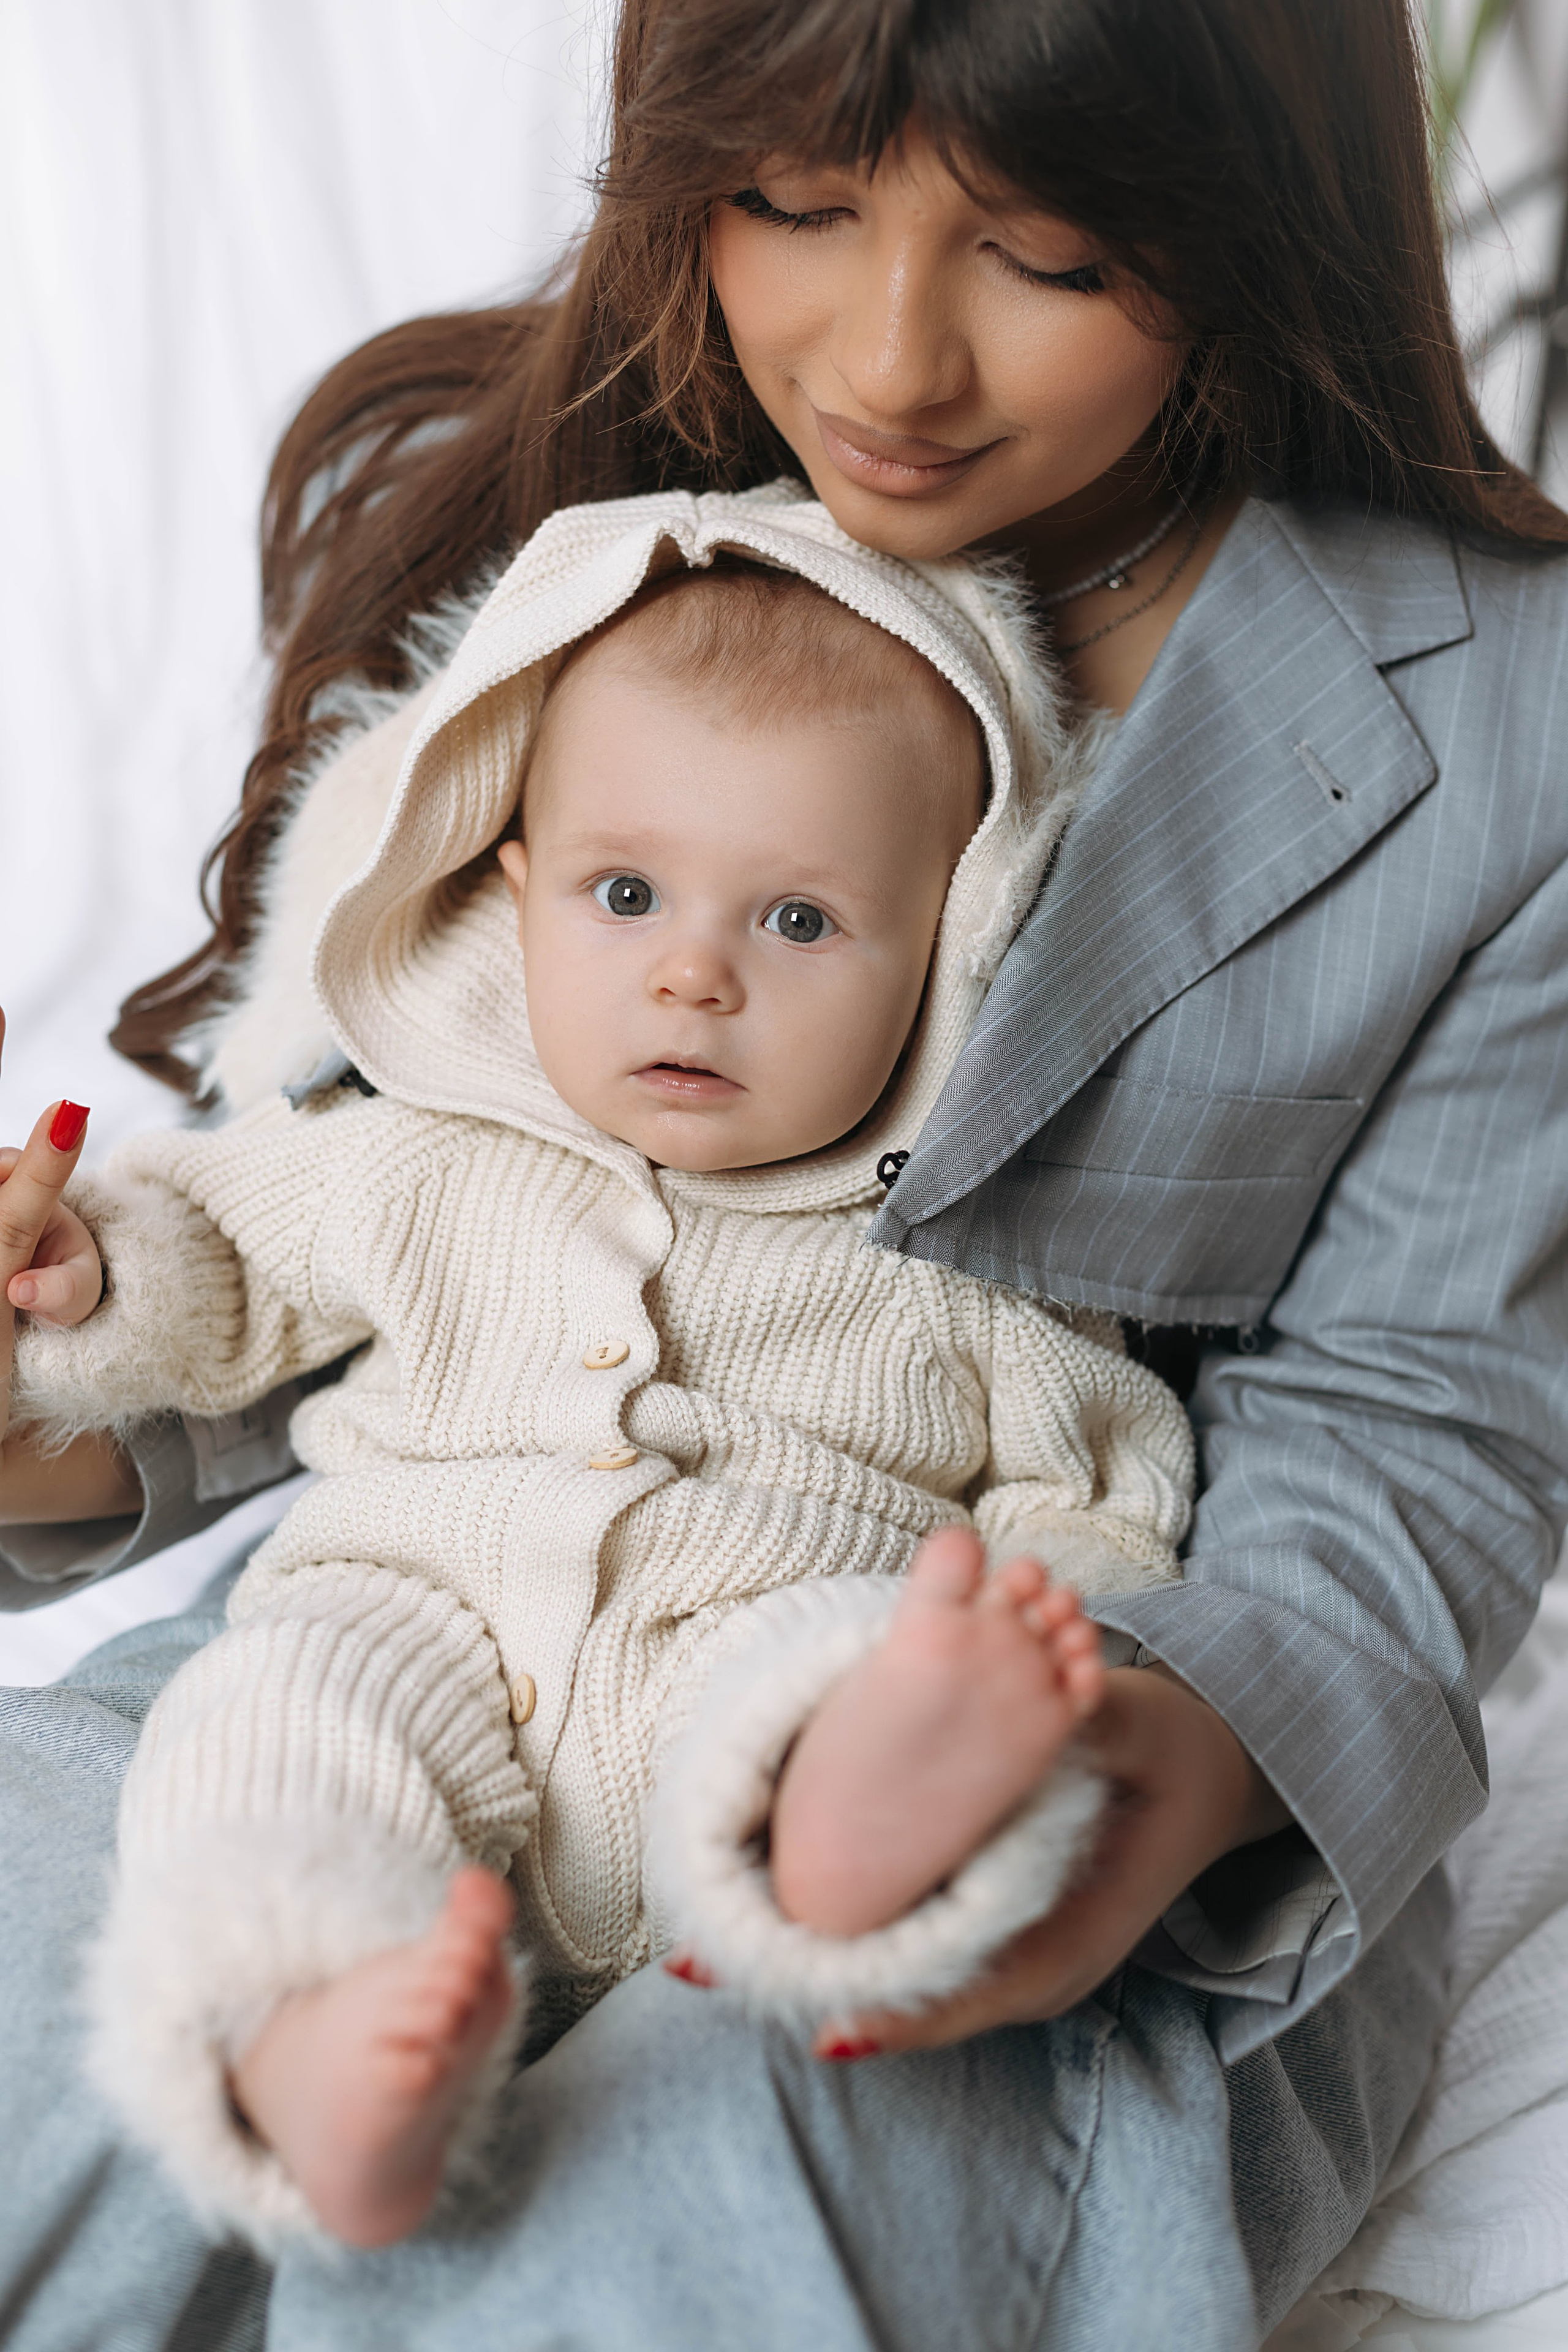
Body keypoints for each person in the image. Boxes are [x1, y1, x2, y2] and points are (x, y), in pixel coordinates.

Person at [1, 1, 1564, 2345]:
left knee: (673, 2215)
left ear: (1247, 204)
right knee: (67, 1969)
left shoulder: (1506, 721)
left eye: (1042, 250)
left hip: (1002, 1699)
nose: (894, 358)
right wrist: (47, 1377)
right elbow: (371, 1234)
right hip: (423, 1618)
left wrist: (1082, 1775)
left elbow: (1414, 1437)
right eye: (802, 208)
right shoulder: (553, 528)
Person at [11, 512, 1196, 2253]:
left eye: (799, 919)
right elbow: (225, 1255)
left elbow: (1090, 1485)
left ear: (949, 951)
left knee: (849, 1683)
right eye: (624, 894)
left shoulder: (962, 1255)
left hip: (752, 1629)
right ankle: (322, 2035)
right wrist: (92, 1276)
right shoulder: (425, 1148)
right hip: (413, 1615)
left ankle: (867, 1832)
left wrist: (1026, 1634)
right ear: (515, 895)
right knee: (260, 1726)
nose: (691, 971)